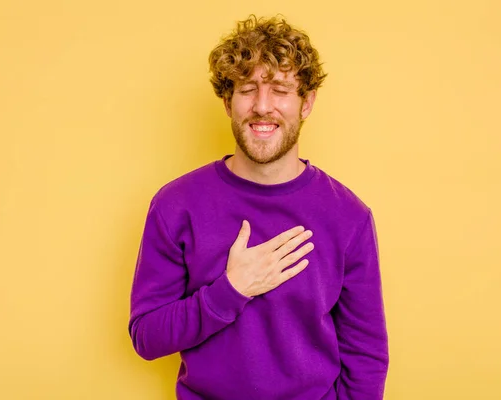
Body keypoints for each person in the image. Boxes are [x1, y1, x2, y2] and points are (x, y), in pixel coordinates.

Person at [128, 15, 389, 400]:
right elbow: (147, 337)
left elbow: (365, 355)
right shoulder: (175, 205)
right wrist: (231, 289)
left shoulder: (349, 217)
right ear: (227, 102)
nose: (262, 107)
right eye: (248, 89)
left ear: (306, 102)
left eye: (281, 90)